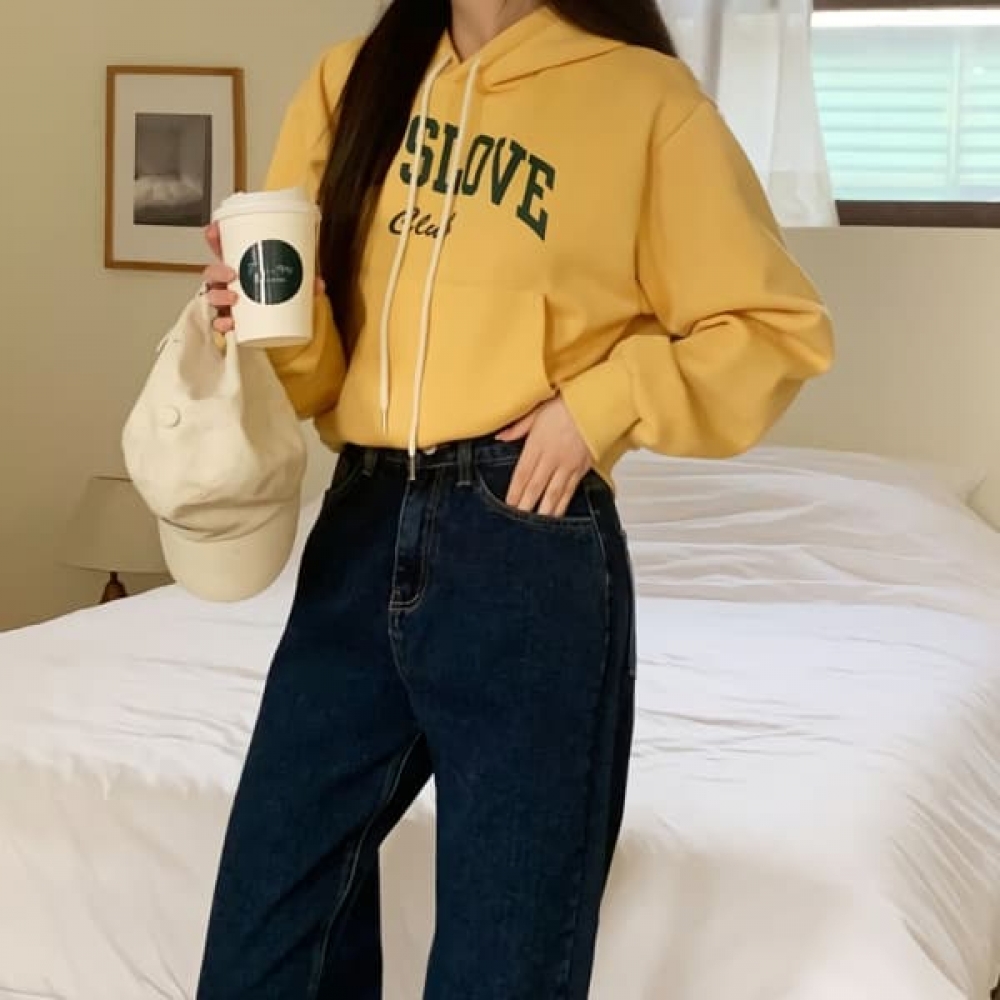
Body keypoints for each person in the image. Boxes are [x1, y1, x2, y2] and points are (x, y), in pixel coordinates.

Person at [195, 0, 833, 997]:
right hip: (360, 522)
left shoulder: (642, 99)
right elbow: (318, 383)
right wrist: (270, 316)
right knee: (264, 947)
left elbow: (774, 328)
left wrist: (599, 407)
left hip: (525, 539)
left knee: (503, 966)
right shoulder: (349, 81)